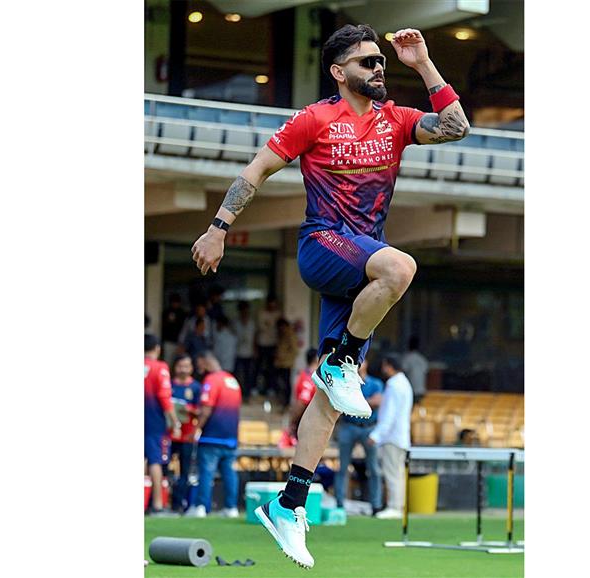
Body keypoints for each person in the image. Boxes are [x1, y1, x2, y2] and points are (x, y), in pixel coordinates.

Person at [191, 25, 469, 568]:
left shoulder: (396, 120)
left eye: (381, 60)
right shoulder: (314, 119)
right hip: (323, 245)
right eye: (368, 61)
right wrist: (218, 228)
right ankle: (343, 360)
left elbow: (457, 126)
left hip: (362, 269)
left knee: (330, 401)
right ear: (339, 73)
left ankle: (289, 503)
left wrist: (422, 63)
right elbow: (257, 170)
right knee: (401, 267)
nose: (379, 67)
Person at [188, 351, 242, 519]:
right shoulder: (232, 381)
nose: (198, 368)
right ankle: (231, 507)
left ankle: (201, 507)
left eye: (199, 364)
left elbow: (206, 409)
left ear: (204, 361)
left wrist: (196, 429)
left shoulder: (211, 380)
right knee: (229, 473)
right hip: (230, 437)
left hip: (212, 436)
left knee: (206, 472)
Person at [334, 357, 383, 513]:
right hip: (349, 425)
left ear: (366, 364)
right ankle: (340, 503)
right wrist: (365, 402)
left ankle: (376, 504)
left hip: (368, 427)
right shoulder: (346, 382)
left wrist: (354, 401)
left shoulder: (375, 383)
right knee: (342, 467)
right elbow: (340, 400)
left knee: (373, 467)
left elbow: (378, 401)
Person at [367, 353, 413, 520]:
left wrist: (376, 434)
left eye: (384, 365)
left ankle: (395, 506)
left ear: (389, 366)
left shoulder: (394, 385)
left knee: (392, 473)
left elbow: (389, 414)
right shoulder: (403, 383)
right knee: (397, 473)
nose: (383, 369)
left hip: (393, 437)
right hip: (399, 436)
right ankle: (397, 506)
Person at [144, 334, 181, 515]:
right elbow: (164, 397)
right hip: (154, 422)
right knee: (155, 461)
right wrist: (175, 422)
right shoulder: (160, 368)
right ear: (157, 348)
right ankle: (158, 505)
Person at [169, 355, 202, 513]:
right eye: (180, 366)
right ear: (175, 367)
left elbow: (201, 410)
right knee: (162, 467)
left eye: (186, 366)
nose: (183, 369)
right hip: (168, 434)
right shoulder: (169, 385)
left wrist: (188, 409)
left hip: (187, 436)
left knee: (185, 470)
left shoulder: (196, 387)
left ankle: (178, 504)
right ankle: (161, 500)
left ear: (191, 368)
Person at [283, 348, 319, 446]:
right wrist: (292, 423)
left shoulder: (305, 375)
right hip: (306, 424)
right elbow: (302, 403)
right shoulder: (309, 379)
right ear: (316, 359)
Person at [255, 296, 281, 395]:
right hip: (262, 343)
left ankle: (271, 388)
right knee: (260, 367)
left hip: (273, 344)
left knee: (272, 368)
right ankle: (259, 388)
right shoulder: (262, 314)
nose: (272, 306)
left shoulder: (278, 314)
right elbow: (260, 328)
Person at [233, 300, 256, 400]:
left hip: (249, 353)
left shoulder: (252, 323)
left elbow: (255, 337)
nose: (244, 312)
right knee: (238, 375)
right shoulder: (235, 323)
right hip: (238, 353)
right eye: (242, 310)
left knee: (248, 375)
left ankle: (247, 394)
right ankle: (238, 394)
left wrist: (255, 350)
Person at [274, 318, 300, 407]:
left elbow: (295, 351)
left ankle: (286, 403)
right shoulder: (281, 335)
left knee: (286, 384)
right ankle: (281, 401)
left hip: (286, 364)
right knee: (279, 383)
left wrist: (285, 358)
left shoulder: (291, 335)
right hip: (280, 363)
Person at [161, 293, 188, 366]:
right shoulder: (167, 312)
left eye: (176, 302)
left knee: (178, 363)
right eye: (173, 302)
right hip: (168, 341)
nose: (175, 304)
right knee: (168, 361)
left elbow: (185, 328)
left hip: (179, 342)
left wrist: (183, 343)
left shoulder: (182, 313)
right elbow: (163, 325)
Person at [402, 335, 429, 405]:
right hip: (421, 390)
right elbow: (426, 371)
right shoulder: (422, 359)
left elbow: (402, 371)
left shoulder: (407, 358)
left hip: (411, 390)